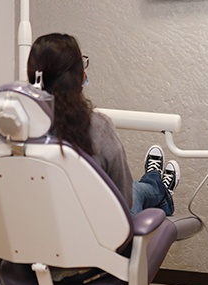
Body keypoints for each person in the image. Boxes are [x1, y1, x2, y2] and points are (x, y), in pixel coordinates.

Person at [26, 33, 180, 219]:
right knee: (134, 189)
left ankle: (156, 181)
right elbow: (124, 199)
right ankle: (160, 189)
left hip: (31, 236)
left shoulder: (5, 132)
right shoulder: (97, 128)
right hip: (97, 238)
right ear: (79, 78)